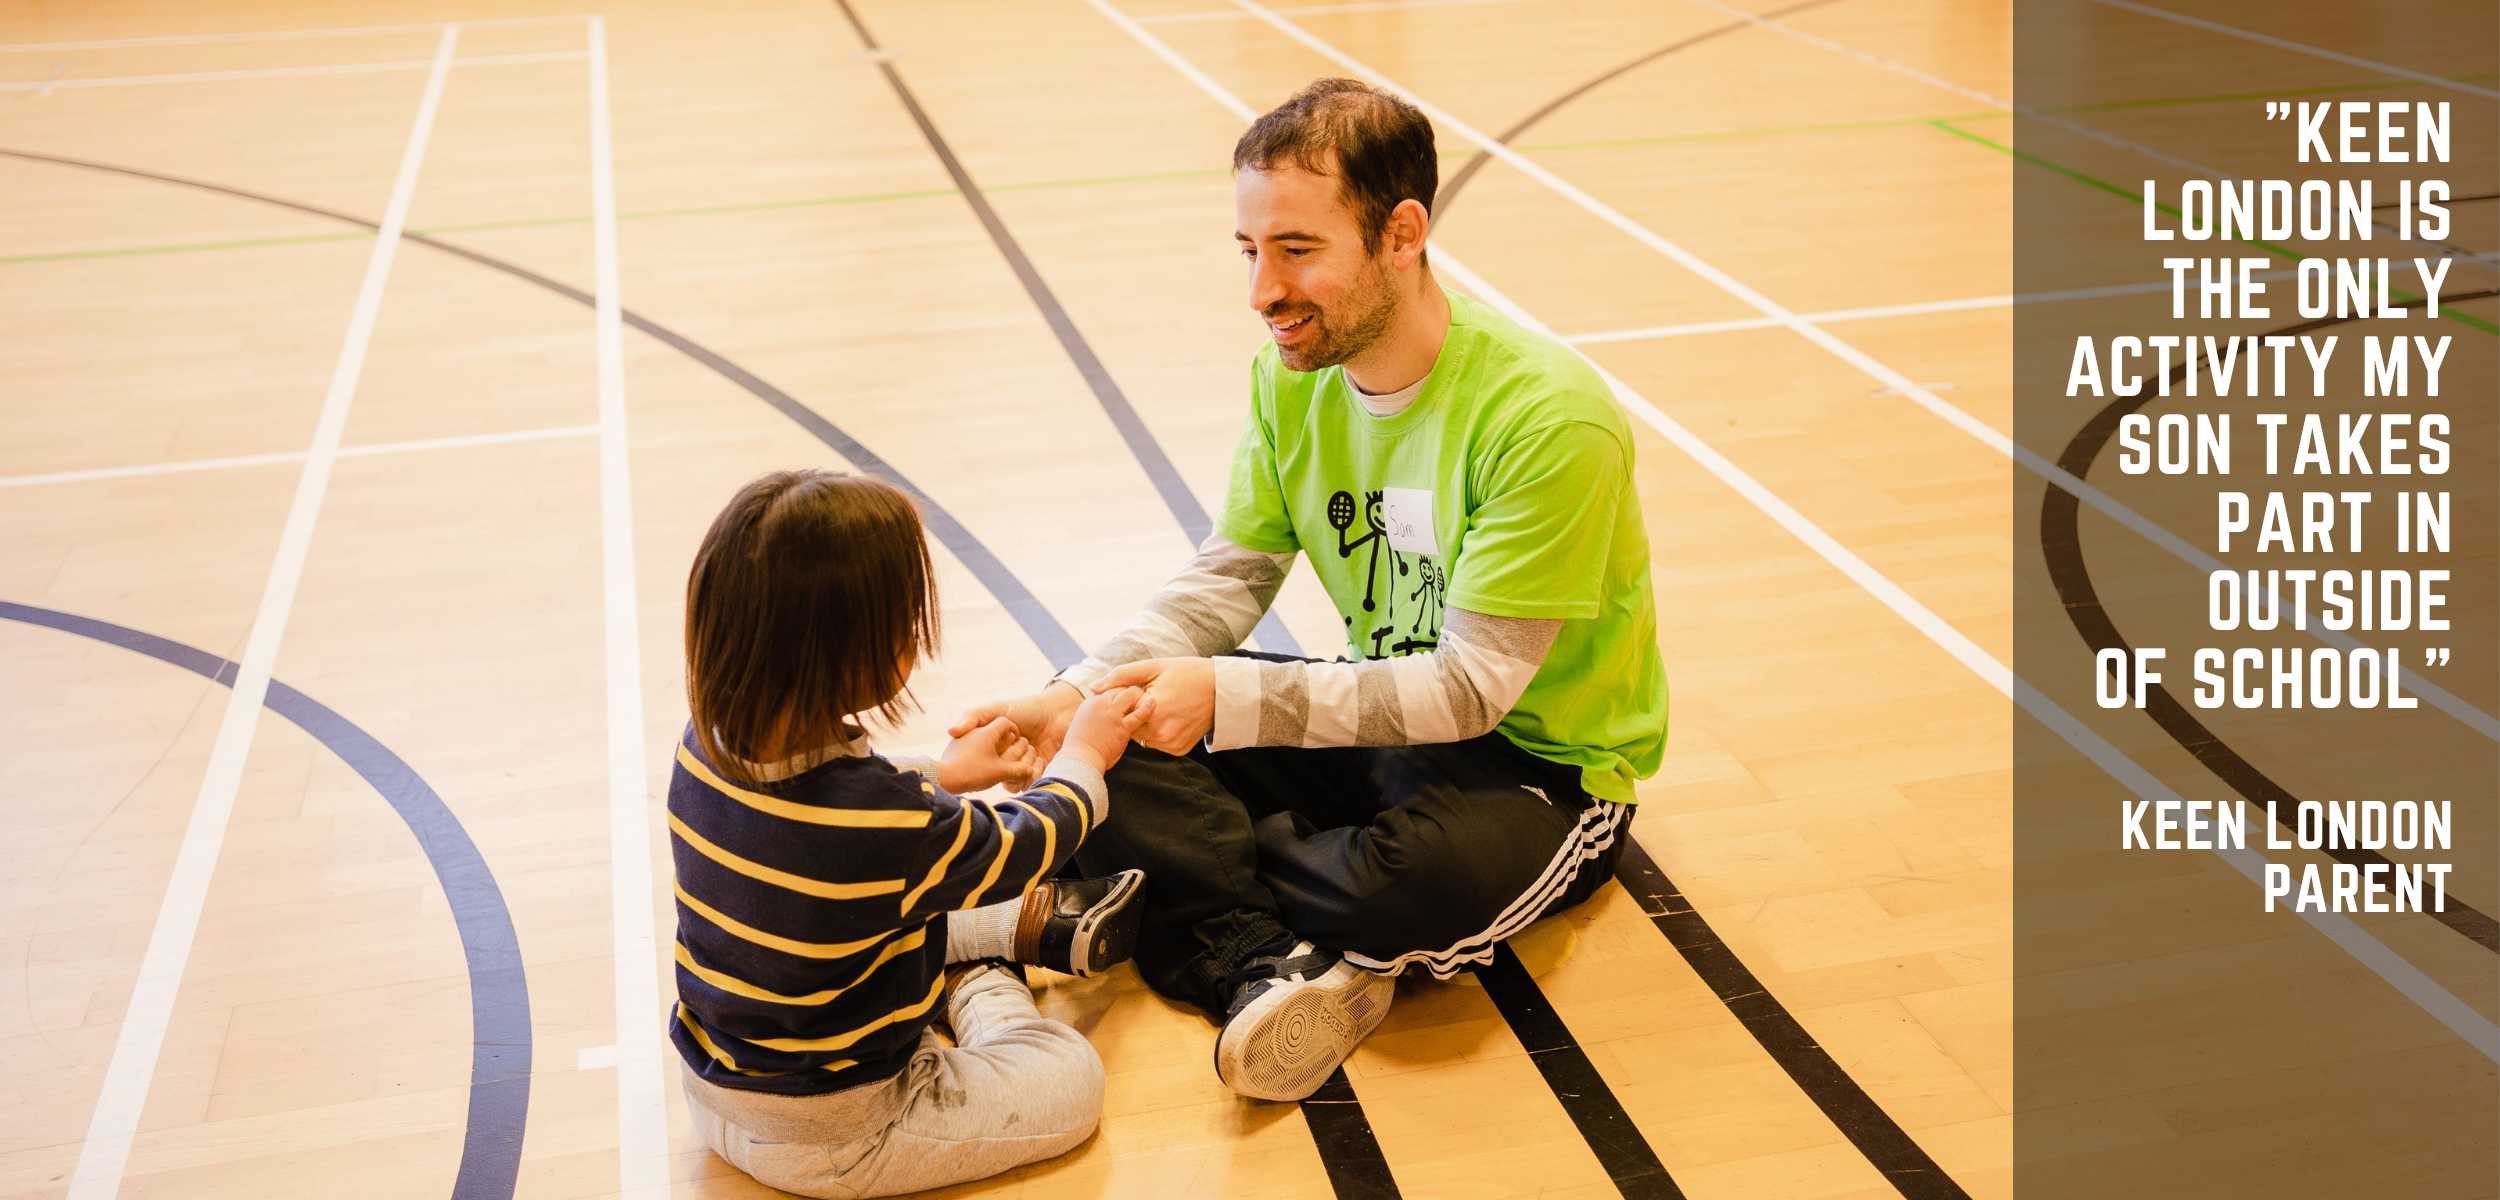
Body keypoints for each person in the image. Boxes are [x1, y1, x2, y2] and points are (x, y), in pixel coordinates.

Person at [953, 78, 1669, 1102]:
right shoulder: (1292, 376)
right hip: (1385, 720)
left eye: (1297, 251)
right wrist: (1071, 699)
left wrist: (1231, 704)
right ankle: (1260, 955)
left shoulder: (1546, 418)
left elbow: (1471, 692)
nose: (1262, 293)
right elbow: (1232, 572)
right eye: (1250, 252)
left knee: (1406, 889)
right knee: (1116, 729)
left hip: (1539, 768)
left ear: (1401, 233)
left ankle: (1199, 897)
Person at [668, 468, 1160, 1198]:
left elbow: (845, 828)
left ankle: (1011, 935)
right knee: (1072, 1080)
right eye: (905, 624)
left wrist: (947, 773)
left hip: (716, 1091)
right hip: (845, 1132)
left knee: (919, 892)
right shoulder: (884, 825)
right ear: (852, 650)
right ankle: (979, 981)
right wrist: (1085, 753)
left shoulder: (704, 745)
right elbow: (1029, 841)